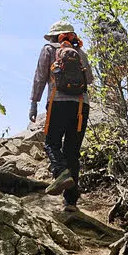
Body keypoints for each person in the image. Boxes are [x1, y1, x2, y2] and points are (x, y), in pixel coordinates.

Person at [29, 20, 94, 211]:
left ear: (54, 36)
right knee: (72, 151)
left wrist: (34, 103)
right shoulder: (81, 53)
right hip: (82, 106)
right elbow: (89, 79)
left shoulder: (49, 49)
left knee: (51, 143)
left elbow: (40, 76)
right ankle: (71, 202)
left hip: (58, 103)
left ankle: (59, 172)